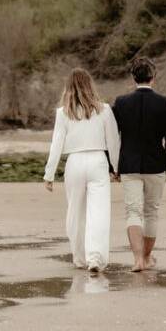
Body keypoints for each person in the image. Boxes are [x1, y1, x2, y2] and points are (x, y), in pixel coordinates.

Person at [44, 68, 120, 273]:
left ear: (69, 88)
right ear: (90, 85)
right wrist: (116, 167)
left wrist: (49, 174)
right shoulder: (104, 110)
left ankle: (79, 257)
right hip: (97, 161)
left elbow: (56, 144)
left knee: (75, 212)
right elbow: (113, 141)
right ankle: (95, 257)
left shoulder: (63, 113)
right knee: (99, 211)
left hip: (75, 163)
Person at [111, 57, 166, 272]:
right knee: (151, 212)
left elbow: (112, 137)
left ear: (133, 78)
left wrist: (113, 165)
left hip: (129, 165)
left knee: (132, 212)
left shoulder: (121, 103)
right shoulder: (164, 102)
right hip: (156, 165)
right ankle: (146, 258)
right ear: (153, 78)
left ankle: (137, 259)